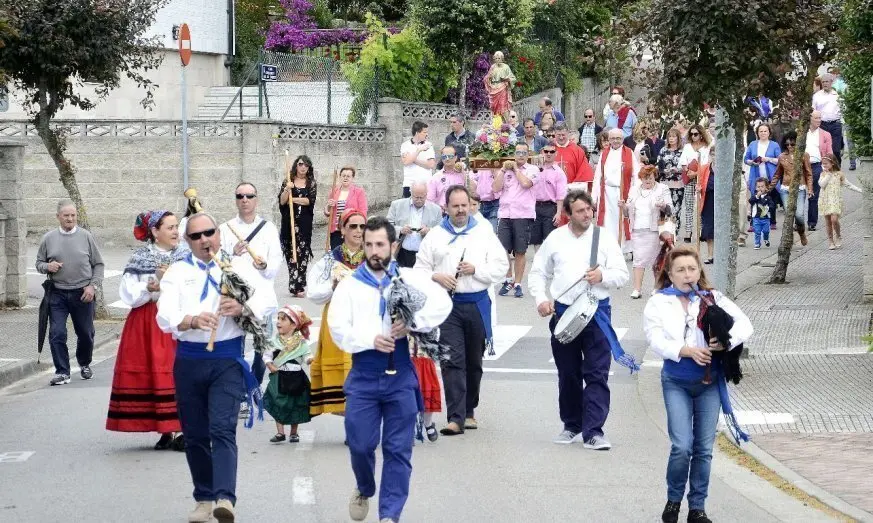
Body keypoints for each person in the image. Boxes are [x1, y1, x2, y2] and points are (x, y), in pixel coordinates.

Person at [330, 217, 451, 523]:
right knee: (360, 444)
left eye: (380, 244)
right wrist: (368, 339)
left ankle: (390, 515)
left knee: (398, 449)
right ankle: (364, 486)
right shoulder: (350, 285)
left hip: (401, 376)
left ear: (393, 246)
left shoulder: (410, 278)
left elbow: (442, 304)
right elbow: (337, 329)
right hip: (364, 375)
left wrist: (412, 323)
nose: (373, 250)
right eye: (368, 244)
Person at [156, 212, 273, 523]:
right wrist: (192, 320)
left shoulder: (239, 268)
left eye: (208, 232)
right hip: (190, 360)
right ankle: (204, 497)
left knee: (222, 429)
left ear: (218, 236)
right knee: (194, 435)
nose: (204, 239)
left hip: (227, 360)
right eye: (196, 236)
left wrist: (241, 307)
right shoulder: (177, 273)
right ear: (187, 241)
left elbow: (264, 303)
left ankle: (224, 498)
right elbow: (164, 313)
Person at [643, 246, 753, 523]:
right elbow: (654, 337)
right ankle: (673, 500)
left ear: (699, 271)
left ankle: (697, 508)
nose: (687, 274)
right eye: (680, 269)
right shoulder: (659, 301)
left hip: (709, 383)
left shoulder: (712, 298)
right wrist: (685, 350)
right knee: (682, 445)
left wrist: (724, 340)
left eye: (692, 269)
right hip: (677, 381)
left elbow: (745, 325)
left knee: (703, 449)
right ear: (669, 274)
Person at [529, 190, 635, 450]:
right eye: (580, 211)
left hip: (597, 312)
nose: (587, 214)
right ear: (568, 214)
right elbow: (538, 272)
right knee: (568, 373)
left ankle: (594, 431)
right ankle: (572, 425)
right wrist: (541, 299)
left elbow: (622, 275)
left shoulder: (604, 238)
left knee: (597, 373)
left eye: (589, 209)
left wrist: (603, 276)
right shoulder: (555, 239)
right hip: (564, 312)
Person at [415, 186, 508, 435]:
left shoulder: (483, 232)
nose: (460, 210)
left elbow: (501, 266)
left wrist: (476, 270)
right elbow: (419, 269)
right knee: (452, 360)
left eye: (464, 205)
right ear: (446, 208)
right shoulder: (435, 235)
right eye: (455, 206)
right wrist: (437, 276)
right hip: (449, 307)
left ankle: (469, 411)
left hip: (477, 304)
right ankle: (455, 418)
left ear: (470, 205)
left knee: (473, 362)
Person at [106, 210, 187, 451]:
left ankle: (182, 428)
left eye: (176, 227)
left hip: (177, 320)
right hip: (147, 321)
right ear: (154, 231)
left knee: (177, 372)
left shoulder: (185, 256)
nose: (175, 232)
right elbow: (129, 294)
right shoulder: (140, 258)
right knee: (154, 373)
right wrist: (152, 286)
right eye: (170, 227)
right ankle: (165, 429)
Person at [219, 182, 282, 397]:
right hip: (236, 298)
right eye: (240, 196)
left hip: (261, 298)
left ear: (257, 199)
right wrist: (232, 253)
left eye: (249, 195)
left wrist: (264, 265)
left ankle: (252, 387)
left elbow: (276, 262)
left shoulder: (269, 228)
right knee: (235, 348)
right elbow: (217, 262)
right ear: (236, 199)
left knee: (262, 350)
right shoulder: (225, 229)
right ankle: (239, 392)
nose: (244, 199)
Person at [36, 199, 104, 386]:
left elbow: (98, 264)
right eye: (66, 215)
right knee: (57, 333)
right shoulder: (48, 238)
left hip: (82, 292)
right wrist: (48, 266)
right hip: (57, 292)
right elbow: (39, 263)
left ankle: (84, 364)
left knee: (85, 333)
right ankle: (62, 371)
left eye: (73, 215)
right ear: (58, 217)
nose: (70, 218)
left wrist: (93, 286)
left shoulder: (86, 237)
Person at [306, 209, 367, 416]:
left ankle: (360, 420)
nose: (358, 231)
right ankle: (353, 420)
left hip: (365, 322)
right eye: (353, 226)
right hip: (337, 319)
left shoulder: (374, 258)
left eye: (362, 226)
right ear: (342, 230)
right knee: (344, 375)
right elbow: (313, 293)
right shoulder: (330, 260)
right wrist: (332, 287)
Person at [493, 143, 539, 298]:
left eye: (523, 152)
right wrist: (503, 170)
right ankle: (508, 279)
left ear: (528, 155)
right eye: (517, 152)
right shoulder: (505, 169)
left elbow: (526, 184)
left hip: (523, 214)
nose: (520, 155)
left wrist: (516, 170)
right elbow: (495, 188)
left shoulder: (533, 170)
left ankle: (518, 283)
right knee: (502, 249)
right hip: (505, 214)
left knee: (520, 251)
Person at [263, 304, 313, 444]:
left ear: (293, 325)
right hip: (279, 377)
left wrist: (309, 360)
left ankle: (293, 433)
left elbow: (307, 355)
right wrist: (270, 364)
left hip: (296, 377)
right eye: (278, 318)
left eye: (283, 319)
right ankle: (280, 432)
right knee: (278, 402)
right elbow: (266, 355)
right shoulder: (274, 342)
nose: (278, 322)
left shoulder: (301, 343)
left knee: (295, 403)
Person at [624, 166, 672, 298]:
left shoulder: (663, 188)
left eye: (650, 178)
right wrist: (623, 207)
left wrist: (662, 206)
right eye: (645, 178)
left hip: (655, 230)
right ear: (641, 178)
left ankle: (657, 287)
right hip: (637, 229)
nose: (648, 180)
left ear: (654, 177)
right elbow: (627, 213)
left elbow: (670, 209)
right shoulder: (634, 189)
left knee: (656, 260)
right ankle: (637, 289)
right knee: (638, 260)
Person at [593, 128, 639, 250]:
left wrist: (632, 195)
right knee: (607, 221)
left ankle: (623, 248)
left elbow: (636, 175)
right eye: (613, 138)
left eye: (618, 138)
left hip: (623, 192)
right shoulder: (604, 153)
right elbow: (598, 176)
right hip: (607, 193)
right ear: (609, 139)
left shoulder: (629, 153)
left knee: (622, 221)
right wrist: (594, 196)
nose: (615, 141)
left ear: (622, 139)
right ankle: (608, 247)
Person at [279, 154, 317, 297]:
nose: (303, 167)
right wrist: (286, 190)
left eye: (306, 165)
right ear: (296, 165)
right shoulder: (288, 181)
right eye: (301, 164)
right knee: (291, 254)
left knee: (303, 254)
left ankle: (300, 285)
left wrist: (293, 199)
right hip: (289, 224)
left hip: (304, 225)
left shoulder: (311, 183)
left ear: (309, 168)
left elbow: (309, 201)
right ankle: (293, 284)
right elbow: (282, 202)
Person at [771, 132, 813, 246]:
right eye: (787, 144)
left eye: (792, 144)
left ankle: (802, 232)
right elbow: (777, 174)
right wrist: (769, 188)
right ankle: (788, 240)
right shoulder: (781, 156)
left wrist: (810, 189)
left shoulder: (804, 155)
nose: (790, 146)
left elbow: (808, 173)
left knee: (799, 214)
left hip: (800, 188)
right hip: (785, 188)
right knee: (789, 215)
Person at [386, 182, 442, 268]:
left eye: (422, 197)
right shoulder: (396, 205)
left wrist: (429, 231)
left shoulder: (436, 210)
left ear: (426, 194)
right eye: (416, 197)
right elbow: (386, 226)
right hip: (401, 253)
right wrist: (400, 230)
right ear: (410, 193)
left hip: (425, 256)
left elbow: (441, 232)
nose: (419, 200)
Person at [819, 153, 863, 250]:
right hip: (825, 200)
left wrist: (861, 191)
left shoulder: (839, 174)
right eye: (823, 164)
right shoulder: (823, 174)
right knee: (828, 221)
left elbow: (848, 185)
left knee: (834, 220)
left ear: (832, 163)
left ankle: (838, 235)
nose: (824, 165)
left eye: (826, 163)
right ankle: (830, 241)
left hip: (835, 200)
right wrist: (828, 175)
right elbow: (822, 185)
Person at [743, 123, 781, 230]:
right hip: (756, 176)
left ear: (769, 132)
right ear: (757, 133)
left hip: (771, 177)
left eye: (765, 131)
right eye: (761, 131)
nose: (763, 133)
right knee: (756, 199)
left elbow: (779, 159)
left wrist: (768, 159)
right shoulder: (753, 144)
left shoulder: (774, 145)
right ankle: (753, 224)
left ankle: (772, 221)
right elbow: (746, 159)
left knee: (771, 200)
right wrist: (753, 162)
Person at [678, 125, 711, 243]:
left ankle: (702, 230)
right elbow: (682, 162)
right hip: (689, 178)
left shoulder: (706, 147)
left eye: (695, 134)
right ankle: (688, 231)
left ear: (701, 134)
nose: (693, 136)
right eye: (691, 134)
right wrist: (688, 172)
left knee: (702, 205)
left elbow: (707, 164)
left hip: (702, 178)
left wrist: (697, 173)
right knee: (689, 205)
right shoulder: (687, 147)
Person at [531, 142, 568, 248]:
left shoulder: (559, 172)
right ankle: (538, 260)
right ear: (542, 152)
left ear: (556, 153)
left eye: (551, 151)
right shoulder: (534, 168)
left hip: (550, 207)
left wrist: (558, 213)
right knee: (536, 238)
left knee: (549, 238)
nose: (548, 154)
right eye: (546, 151)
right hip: (535, 206)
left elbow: (560, 195)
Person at [325, 166, 368, 250]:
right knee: (337, 257)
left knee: (352, 257)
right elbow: (327, 213)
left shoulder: (359, 192)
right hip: (336, 230)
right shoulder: (334, 191)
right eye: (343, 175)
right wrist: (329, 206)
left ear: (352, 178)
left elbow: (363, 212)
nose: (345, 178)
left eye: (348, 176)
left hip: (352, 230)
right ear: (340, 177)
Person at [806, 110, 834, 232]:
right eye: (816, 118)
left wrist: (827, 168)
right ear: (810, 119)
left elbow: (829, 152)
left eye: (820, 118)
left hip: (817, 166)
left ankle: (812, 222)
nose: (819, 120)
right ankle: (798, 221)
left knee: (814, 195)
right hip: (803, 165)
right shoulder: (802, 133)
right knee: (800, 193)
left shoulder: (825, 134)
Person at [812, 73, 844, 166]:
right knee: (823, 149)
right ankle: (825, 169)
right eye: (823, 82)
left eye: (827, 81)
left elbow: (843, 109)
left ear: (831, 82)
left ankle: (837, 169)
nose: (825, 83)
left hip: (835, 124)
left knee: (836, 150)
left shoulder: (837, 94)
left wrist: (842, 121)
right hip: (822, 124)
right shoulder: (817, 96)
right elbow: (813, 110)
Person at [657, 128, 685, 233]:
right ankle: (664, 232)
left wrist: (677, 170)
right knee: (664, 208)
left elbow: (685, 167)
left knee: (676, 209)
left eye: (674, 136)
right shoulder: (663, 150)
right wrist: (664, 170)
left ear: (678, 138)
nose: (671, 139)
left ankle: (674, 232)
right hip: (664, 183)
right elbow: (658, 165)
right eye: (670, 136)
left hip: (678, 184)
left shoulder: (683, 151)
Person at [400, 121, 436, 198]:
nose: (427, 134)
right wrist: (419, 150)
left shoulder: (429, 145)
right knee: (408, 208)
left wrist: (412, 159)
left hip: (426, 185)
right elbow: (406, 162)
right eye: (424, 132)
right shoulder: (405, 145)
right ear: (417, 133)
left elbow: (431, 164)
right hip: (409, 184)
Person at [554, 122, 594, 188]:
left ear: (568, 133)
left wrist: (571, 187)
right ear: (555, 134)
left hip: (571, 191)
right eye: (558, 135)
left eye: (563, 135)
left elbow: (583, 173)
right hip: (552, 191)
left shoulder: (577, 150)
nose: (561, 138)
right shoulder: (549, 150)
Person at [427, 145, 468, 210]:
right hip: (442, 214)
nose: (447, 159)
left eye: (450, 156)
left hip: (461, 212)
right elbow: (430, 201)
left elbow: (472, 193)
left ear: (455, 157)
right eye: (444, 157)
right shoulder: (435, 177)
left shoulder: (463, 174)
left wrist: (464, 172)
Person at [484, 51, 516, 124]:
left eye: (499, 58)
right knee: (495, 108)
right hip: (494, 88)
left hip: (503, 88)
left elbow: (513, 78)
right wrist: (489, 77)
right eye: (496, 58)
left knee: (503, 106)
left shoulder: (506, 67)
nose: (497, 60)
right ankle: (497, 125)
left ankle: (508, 124)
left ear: (502, 58)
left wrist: (507, 79)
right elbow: (486, 78)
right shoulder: (493, 67)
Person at [749, 177, 774, 250]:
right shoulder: (755, 197)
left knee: (766, 231)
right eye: (758, 187)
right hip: (756, 218)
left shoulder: (768, 197)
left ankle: (766, 239)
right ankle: (757, 243)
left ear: (766, 187)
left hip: (766, 218)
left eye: (762, 186)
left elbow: (772, 205)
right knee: (757, 231)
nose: (760, 188)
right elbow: (750, 201)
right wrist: (757, 196)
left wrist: (768, 208)